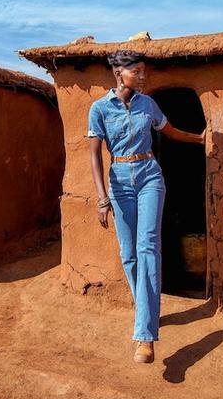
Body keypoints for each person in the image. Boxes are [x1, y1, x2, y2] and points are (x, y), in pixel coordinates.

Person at [88, 49, 205, 364]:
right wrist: (102, 198)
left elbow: (170, 132)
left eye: (144, 71)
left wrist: (199, 139)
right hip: (119, 182)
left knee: (148, 247)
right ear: (119, 73)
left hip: (150, 176)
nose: (142, 77)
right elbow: (95, 155)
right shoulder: (99, 109)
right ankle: (147, 308)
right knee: (128, 254)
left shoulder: (148, 104)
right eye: (136, 71)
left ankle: (144, 335)